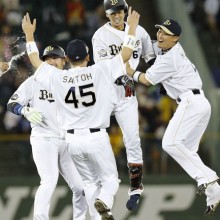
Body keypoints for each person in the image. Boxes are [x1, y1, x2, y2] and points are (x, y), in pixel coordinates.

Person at [21, 8, 140, 220]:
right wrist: (130, 28)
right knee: (110, 180)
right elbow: (125, 55)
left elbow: (34, 60)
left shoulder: (58, 77)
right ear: (88, 57)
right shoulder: (98, 70)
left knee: (89, 183)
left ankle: (96, 216)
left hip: (72, 141)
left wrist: (29, 35)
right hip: (96, 137)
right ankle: (105, 201)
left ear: (66, 58)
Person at [126, 18, 220, 216]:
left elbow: (147, 79)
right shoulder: (168, 48)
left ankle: (208, 177)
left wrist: (129, 72)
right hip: (199, 102)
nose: (160, 35)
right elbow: (147, 44)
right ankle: (214, 192)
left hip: (190, 102)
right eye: (159, 30)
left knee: (169, 143)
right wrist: (132, 29)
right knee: (188, 151)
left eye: (165, 33)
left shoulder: (171, 57)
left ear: (175, 38)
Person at [7, 45, 88, 220]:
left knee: (81, 188)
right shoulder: (34, 81)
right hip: (44, 138)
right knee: (49, 181)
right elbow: (12, 103)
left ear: (64, 60)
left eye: (55, 57)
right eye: (47, 58)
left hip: (67, 140)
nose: (51, 61)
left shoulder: (71, 80)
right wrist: (24, 111)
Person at [92, 0, 156, 211]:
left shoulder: (140, 31)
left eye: (119, 11)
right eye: (112, 13)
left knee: (132, 139)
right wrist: (123, 73)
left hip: (127, 92)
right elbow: (103, 69)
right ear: (106, 15)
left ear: (125, 11)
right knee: (93, 134)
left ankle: (136, 188)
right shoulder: (100, 36)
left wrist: (156, 77)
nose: (116, 16)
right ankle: (99, 182)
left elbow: (150, 57)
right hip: (105, 91)